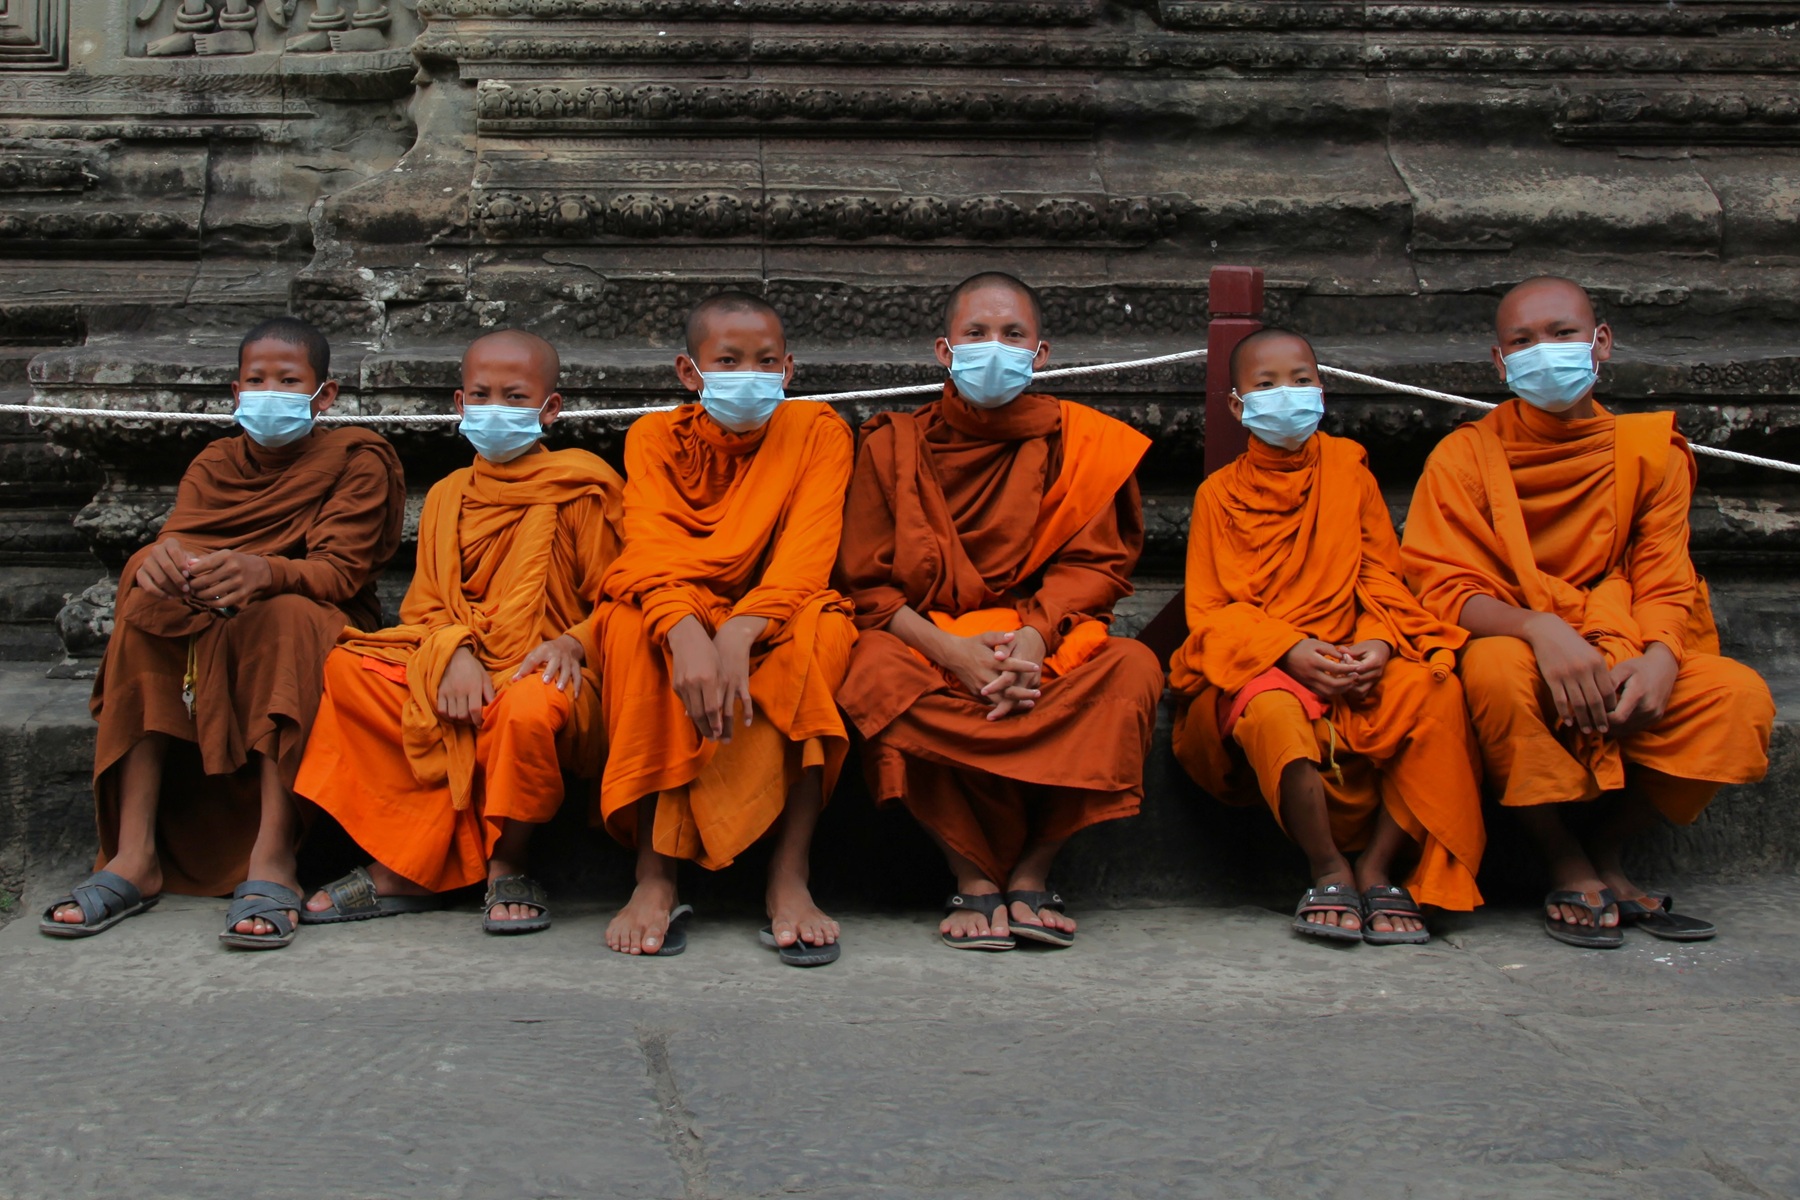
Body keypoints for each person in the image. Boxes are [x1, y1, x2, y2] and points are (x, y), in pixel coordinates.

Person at [1401, 276, 1775, 947]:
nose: (1544, 352)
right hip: (1524, 651)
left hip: (1627, 642)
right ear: (1499, 361)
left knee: (1736, 699)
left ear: (1600, 342)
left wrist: (1661, 656)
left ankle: (1604, 847)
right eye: (1524, 342)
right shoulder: (1464, 456)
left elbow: (1666, 574)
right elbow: (1439, 585)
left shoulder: (1649, 452)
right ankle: (1559, 853)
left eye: (1562, 335)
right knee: (1492, 669)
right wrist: (1539, 628)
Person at [41, 316, 404, 949]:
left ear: (326, 395)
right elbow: (180, 542)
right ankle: (134, 852)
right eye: (256, 380)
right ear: (235, 393)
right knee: (145, 608)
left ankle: (272, 856)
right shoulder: (215, 459)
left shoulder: (356, 457)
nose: (270, 393)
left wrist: (264, 571)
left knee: (283, 617)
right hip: (214, 613)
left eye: (288, 381)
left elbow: (341, 572)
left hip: (313, 616)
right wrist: (149, 562)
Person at [836, 272, 1163, 952]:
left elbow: (1096, 568)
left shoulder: (1088, 446)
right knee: (871, 671)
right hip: (931, 642)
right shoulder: (890, 445)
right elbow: (868, 587)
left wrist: (1037, 638)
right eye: (976, 334)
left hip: (1038, 640)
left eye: (1012, 335)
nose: (994, 348)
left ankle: (1033, 869)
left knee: (1131, 668)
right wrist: (951, 651)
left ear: (1040, 354)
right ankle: (972, 875)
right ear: (943, 349)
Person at [295, 330, 623, 935]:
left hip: (547, 666)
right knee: (345, 670)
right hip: (459, 662)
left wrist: (572, 642)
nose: (495, 408)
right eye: (482, 394)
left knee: (526, 709)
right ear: (459, 403)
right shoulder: (448, 495)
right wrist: (454, 652)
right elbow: (425, 610)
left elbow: (618, 599)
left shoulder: (582, 488)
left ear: (550, 409)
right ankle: (413, 856)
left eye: (515, 396)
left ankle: (506, 862)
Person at [1167, 329, 1485, 945]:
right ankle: (1328, 866)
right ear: (1238, 406)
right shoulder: (1219, 496)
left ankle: (1378, 866)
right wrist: (1287, 649)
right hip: (1266, 661)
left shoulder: (1349, 472)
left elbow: (1379, 576)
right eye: (1265, 386)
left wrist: (1380, 644)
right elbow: (1211, 612)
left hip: (1352, 651)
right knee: (1273, 714)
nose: (1285, 395)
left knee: (1436, 694)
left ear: (1322, 390)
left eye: (1300, 380)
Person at [596, 293, 855, 966]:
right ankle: (655, 875)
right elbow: (647, 548)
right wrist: (686, 633)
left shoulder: (818, 431)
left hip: (777, 611)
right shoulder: (652, 436)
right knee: (630, 630)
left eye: (766, 361)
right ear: (690, 372)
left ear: (789, 369)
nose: (750, 373)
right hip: (679, 603)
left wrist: (740, 632)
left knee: (824, 636)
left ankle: (789, 873)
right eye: (729, 360)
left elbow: (808, 557)